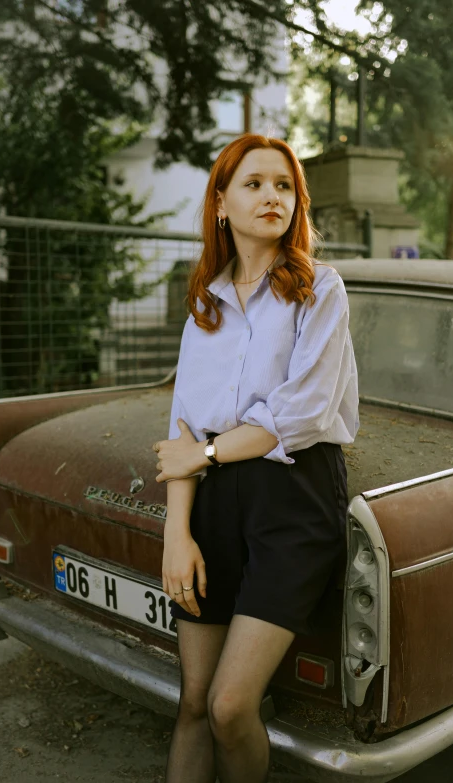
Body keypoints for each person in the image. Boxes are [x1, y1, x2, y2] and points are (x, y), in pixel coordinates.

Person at [151, 133, 359, 783]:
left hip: (291, 500)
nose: (273, 195)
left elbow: (297, 417)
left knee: (231, 705)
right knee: (191, 700)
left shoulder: (320, 290)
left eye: (284, 185)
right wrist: (176, 531)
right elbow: (182, 428)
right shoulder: (204, 306)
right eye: (254, 183)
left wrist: (209, 449)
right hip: (211, 501)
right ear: (221, 203)